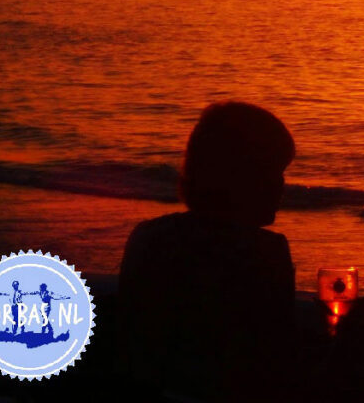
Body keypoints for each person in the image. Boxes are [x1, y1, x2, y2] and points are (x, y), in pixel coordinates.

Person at [119, 101, 297, 401]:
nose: (282, 185)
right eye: (273, 171)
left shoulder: (149, 238)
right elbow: (273, 365)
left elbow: (134, 354)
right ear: (243, 176)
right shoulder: (265, 252)